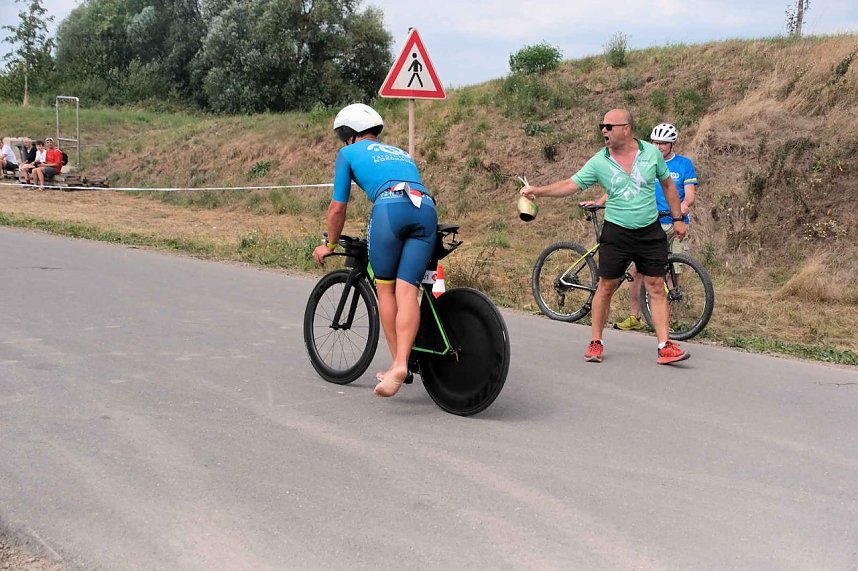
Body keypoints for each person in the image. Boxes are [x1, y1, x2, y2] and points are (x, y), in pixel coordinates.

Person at [520, 108, 690, 365]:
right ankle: (596, 341)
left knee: (655, 286)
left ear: (626, 129)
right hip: (617, 232)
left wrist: (677, 219)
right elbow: (570, 184)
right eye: (602, 126)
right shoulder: (599, 161)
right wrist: (537, 191)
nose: (604, 131)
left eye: (609, 126)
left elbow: (667, 185)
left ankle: (665, 345)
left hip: (649, 231)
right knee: (606, 286)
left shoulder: (651, 154)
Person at [312, 103, 438, 396]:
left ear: (350, 135)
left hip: (390, 210)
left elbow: (337, 208)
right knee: (408, 290)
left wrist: (329, 244)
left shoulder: (347, 154)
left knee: (386, 289)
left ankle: (399, 365)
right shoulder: (401, 153)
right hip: (426, 208)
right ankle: (401, 363)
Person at [602, 122, 700, 331]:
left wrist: (683, 206)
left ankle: (666, 321)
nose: (659, 147)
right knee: (637, 271)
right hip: (649, 224)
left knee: (672, 271)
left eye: (664, 143)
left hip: (673, 224)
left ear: (672, 144)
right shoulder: (644, 161)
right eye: (656, 142)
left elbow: (689, 193)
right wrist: (603, 201)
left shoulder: (684, 164)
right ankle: (634, 316)